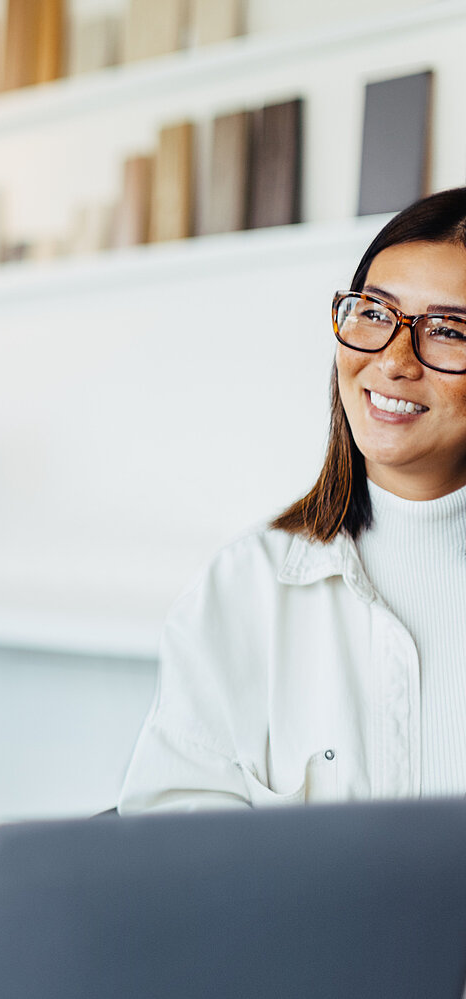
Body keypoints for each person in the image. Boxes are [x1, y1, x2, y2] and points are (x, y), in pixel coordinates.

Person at [120, 187, 466, 812]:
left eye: (447, 330)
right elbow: (175, 854)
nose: (392, 360)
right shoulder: (243, 588)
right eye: (375, 314)